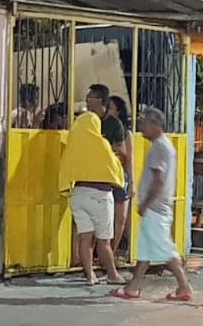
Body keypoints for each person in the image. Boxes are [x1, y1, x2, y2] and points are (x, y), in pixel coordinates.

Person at [110, 107, 193, 302]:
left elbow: (159, 179)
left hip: (156, 208)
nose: (141, 127)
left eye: (144, 122)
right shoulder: (163, 146)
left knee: (164, 248)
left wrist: (145, 203)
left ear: (156, 124)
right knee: (147, 249)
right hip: (158, 207)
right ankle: (133, 287)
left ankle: (184, 286)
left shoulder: (159, 148)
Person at [58, 110, 127, 286]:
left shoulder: (73, 146)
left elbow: (66, 169)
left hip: (78, 195)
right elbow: (116, 168)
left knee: (84, 238)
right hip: (100, 196)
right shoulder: (102, 144)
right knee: (103, 241)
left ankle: (90, 276)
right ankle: (112, 275)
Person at [107, 96, 135, 257]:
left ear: (118, 111)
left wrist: (132, 182)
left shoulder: (125, 132)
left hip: (121, 176)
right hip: (105, 175)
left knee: (121, 218)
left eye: (111, 107)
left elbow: (129, 158)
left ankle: (112, 250)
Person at [86, 84, 126, 156]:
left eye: (89, 99)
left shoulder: (115, 124)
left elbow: (121, 153)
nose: (87, 102)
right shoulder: (86, 121)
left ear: (99, 100)